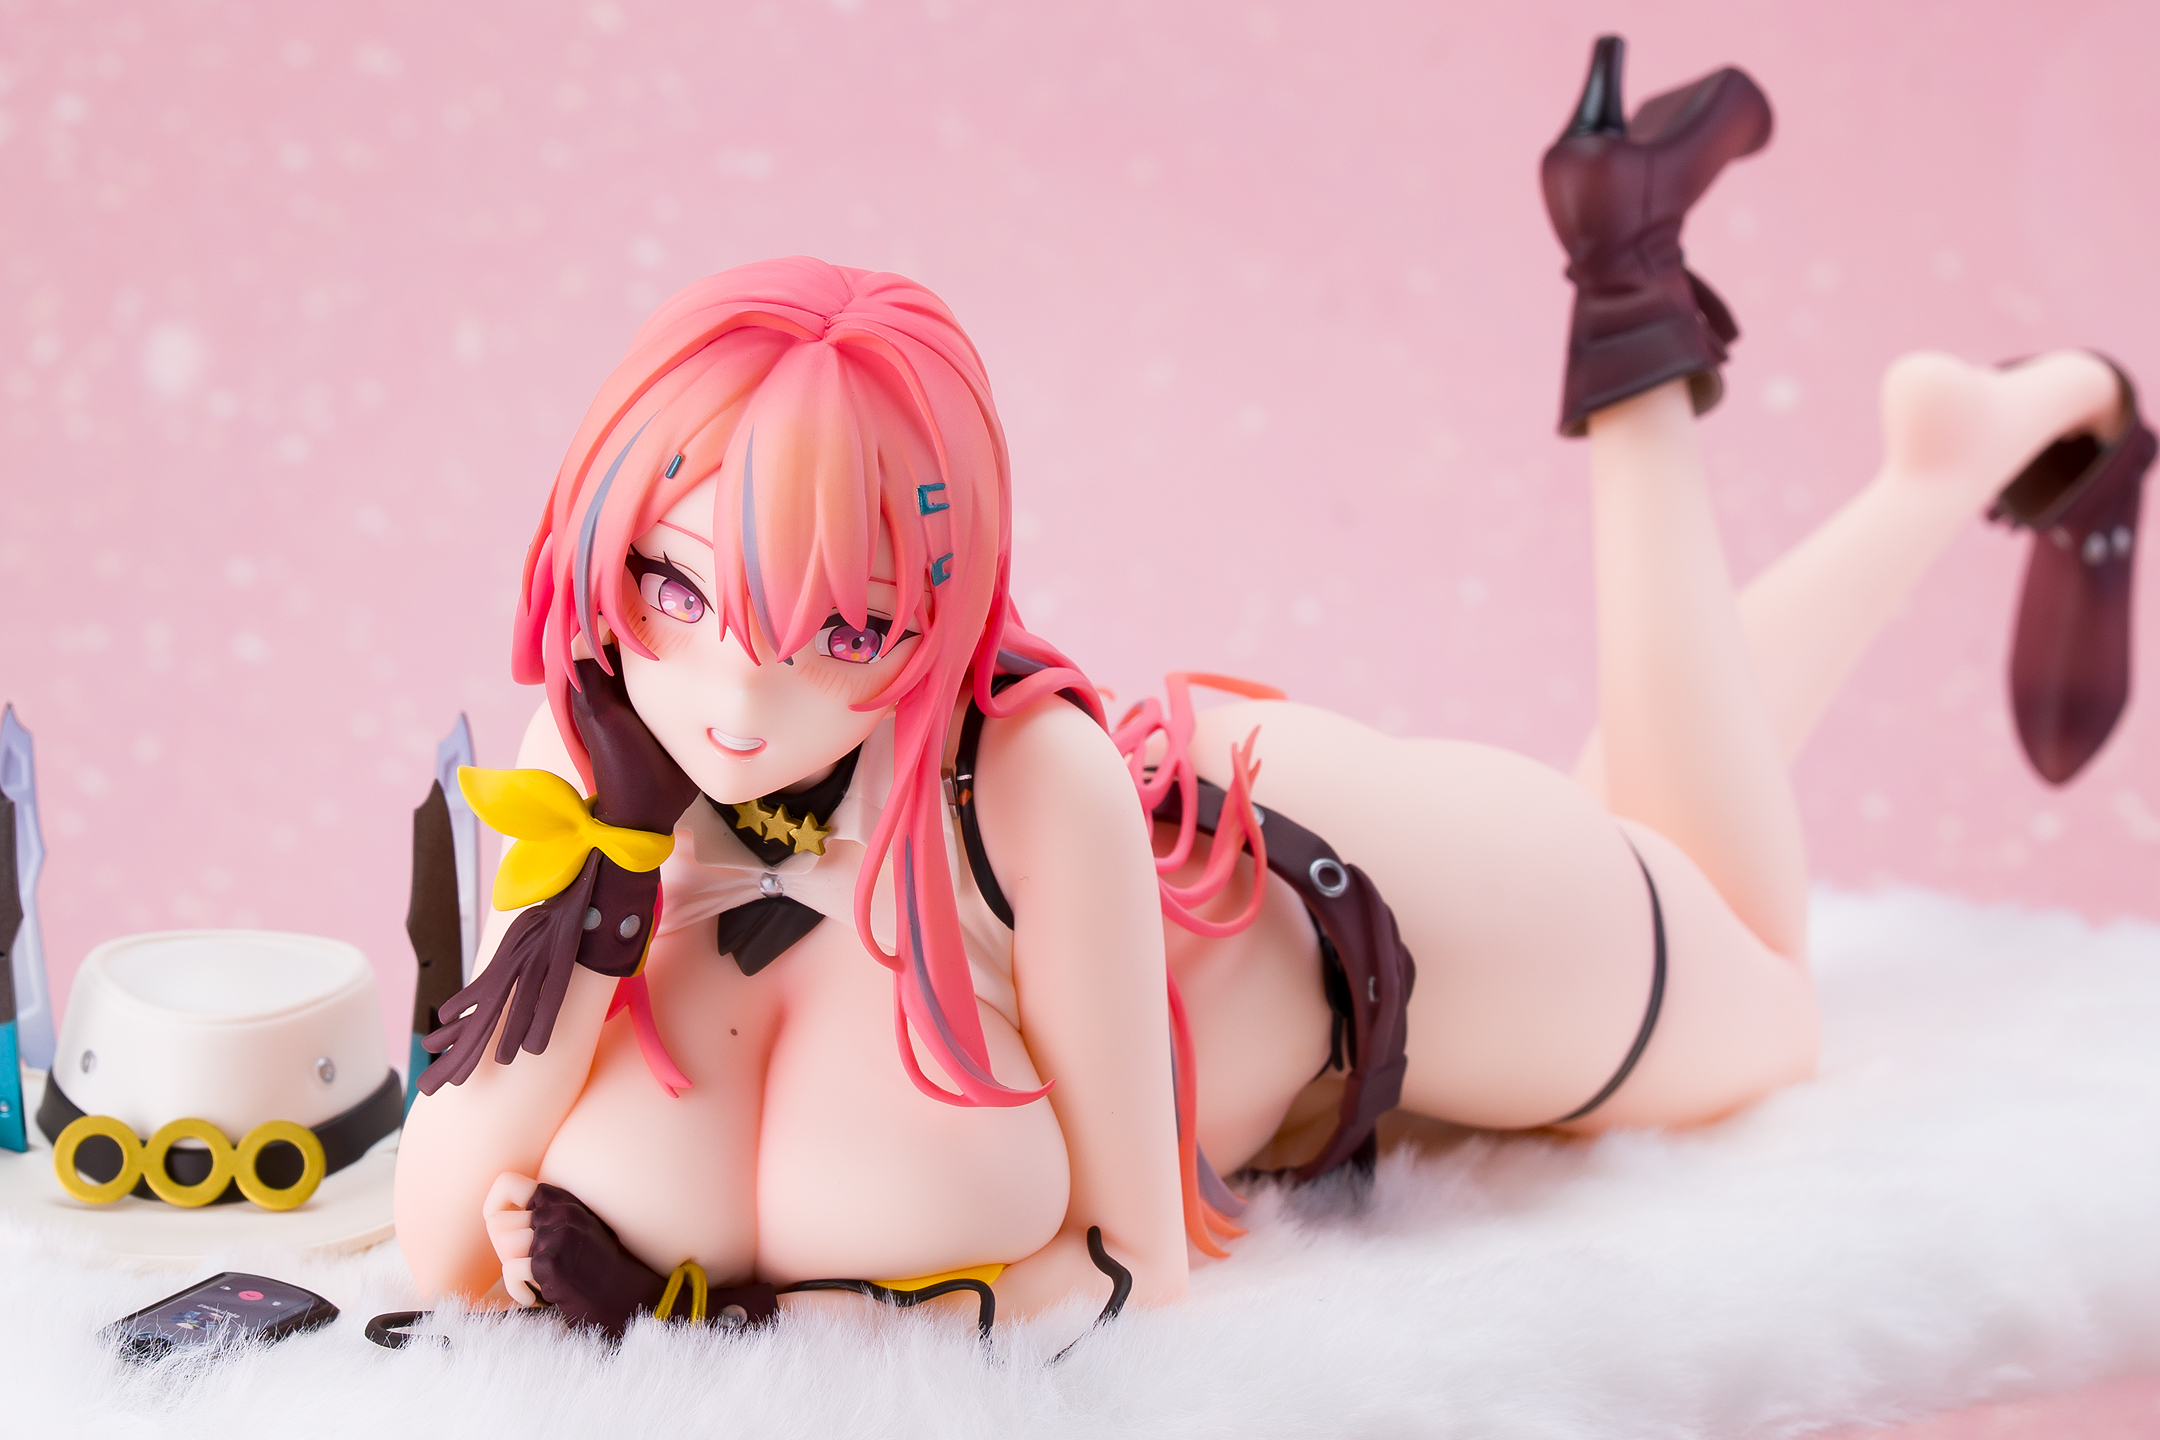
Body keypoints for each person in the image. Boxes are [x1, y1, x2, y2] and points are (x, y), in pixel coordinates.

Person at [391, 37, 2154, 1336]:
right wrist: (604, 889)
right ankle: (1959, 445)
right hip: (1238, 881)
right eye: (676, 587)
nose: (735, 697)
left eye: (845, 629)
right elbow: (439, 1235)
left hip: (1353, 901)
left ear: (941, 601)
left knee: (1764, 993)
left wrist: (745, 1320)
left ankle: (1638, 314)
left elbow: (1131, 1266)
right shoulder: (596, 766)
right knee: (1654, 827)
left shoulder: (1030, 785)